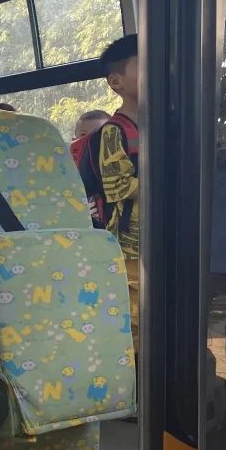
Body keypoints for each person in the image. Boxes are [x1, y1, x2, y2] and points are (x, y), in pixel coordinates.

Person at [77, 34, 140, 345]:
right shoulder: (114, 132)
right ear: (117, 82)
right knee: (137, 318)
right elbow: (119, 186)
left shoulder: (164, 126)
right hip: (130, 242)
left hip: (162, 239)